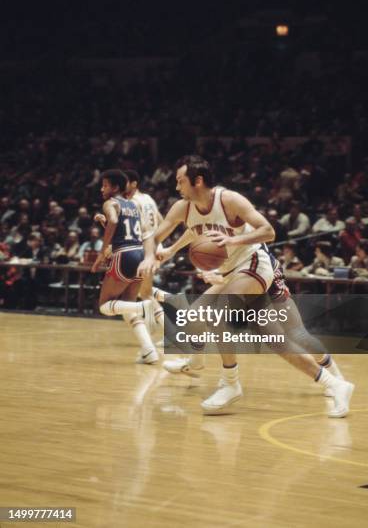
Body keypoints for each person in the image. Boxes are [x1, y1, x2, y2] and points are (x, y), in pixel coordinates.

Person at [146, 155, 354, 416]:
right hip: (234, 274)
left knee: (282, 330)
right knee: (265, 337)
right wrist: (162, 252)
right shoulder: (184, 208)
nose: (176, 187)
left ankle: (230, 382)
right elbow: (178, 233)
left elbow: (269, 231)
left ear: (197, 181)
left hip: (256, 265)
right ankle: (334, 384)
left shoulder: (229, 200)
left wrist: (231, 241)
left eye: (180, 181)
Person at [90, 169, 158, 364]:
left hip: (124, 255)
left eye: (105, 185)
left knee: (104, 306)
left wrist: (102, 252)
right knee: (128, 309)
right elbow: (125, 230)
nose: (102, 189)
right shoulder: (134, 205)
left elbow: (113, 220)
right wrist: (106, 224)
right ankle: (149, 351)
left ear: (115, 187)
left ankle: (144, 306)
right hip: (139, 255)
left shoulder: (110, 203)